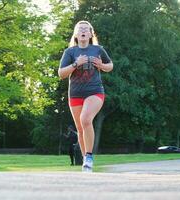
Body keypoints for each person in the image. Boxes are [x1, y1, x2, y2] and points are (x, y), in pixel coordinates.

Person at [58, 20, 113, 172]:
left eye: (86, 29)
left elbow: (110, 66)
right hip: (75, 94)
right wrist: (76, 63)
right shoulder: (70, 52)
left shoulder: (98, 50)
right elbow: (61, 73)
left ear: (90, 34)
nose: (83, 31)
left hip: (95, 91)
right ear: (76, 34)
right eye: (80, 29)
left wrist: (101, 66)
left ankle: (89, 156)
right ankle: (85, 162)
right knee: (81, 129)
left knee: (85, 119)